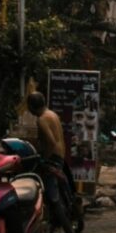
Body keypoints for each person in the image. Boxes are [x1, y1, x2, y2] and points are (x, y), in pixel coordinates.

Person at [27, 91, 77, 223]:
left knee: (46, 187)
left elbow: (51, 141)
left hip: (52, 157)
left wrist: (44, 158)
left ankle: (52, 214)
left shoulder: (42, 119)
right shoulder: (52, 114)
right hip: (60, 155)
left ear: (31, 106)